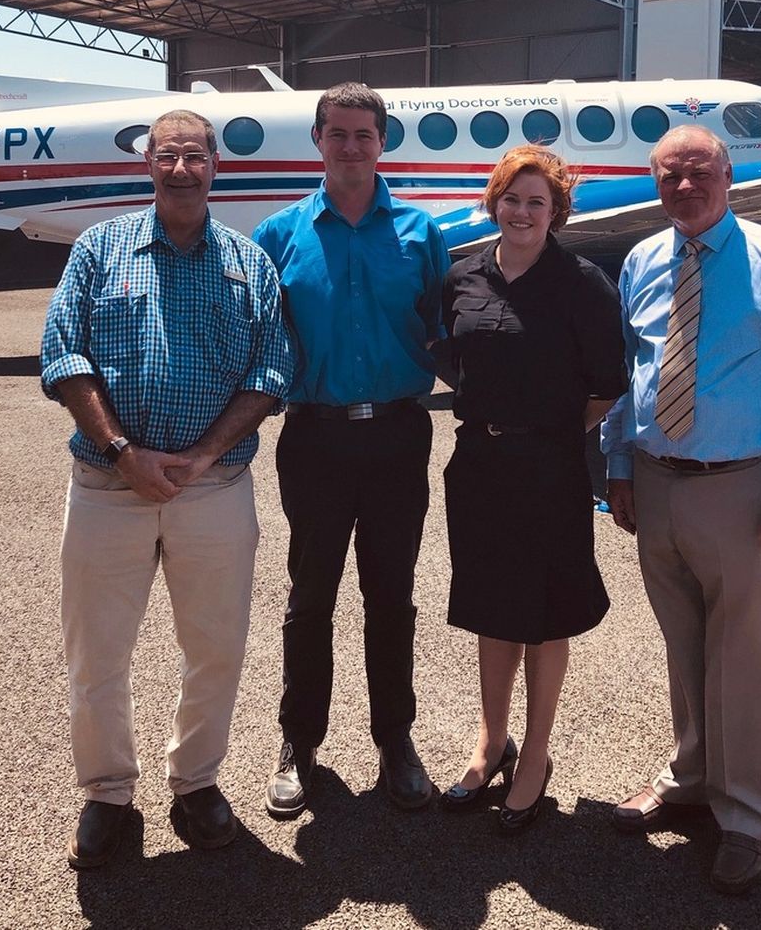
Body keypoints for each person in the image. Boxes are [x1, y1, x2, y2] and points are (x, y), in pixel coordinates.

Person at [41, 108, 293, 869]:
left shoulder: (250, 263)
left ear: (217, 165)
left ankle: (196, 783)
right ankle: (108, 793)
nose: (181, 168)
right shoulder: (97, 249)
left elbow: (271, 372)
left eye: (195, 156)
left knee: (215, 648)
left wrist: (200, 453)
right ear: (147, 163)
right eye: (168, 156)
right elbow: (63, 354)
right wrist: (124, 454)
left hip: (212, 487)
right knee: (97, 654)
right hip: (106, 485)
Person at [601, 126, 761, 894]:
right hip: (656, 479)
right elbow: (629, 377)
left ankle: (744, 814)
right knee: (684, 644)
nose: (683, 187)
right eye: (668, 175)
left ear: (730, 176)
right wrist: (618, 467)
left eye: (698, 171)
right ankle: (691, 775)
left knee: (738, 656)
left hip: (742, 486)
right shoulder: (642, 260)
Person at [252, 81, 449, 817]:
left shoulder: (421, 235)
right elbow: (259, 339)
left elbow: (447, 330)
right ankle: (298, 741)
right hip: (315, 436)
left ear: (382, 141)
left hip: (399, 433)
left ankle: (395, 737)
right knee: (311, 597)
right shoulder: (280, 235)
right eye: (338, 133)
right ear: (318, 139)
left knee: (392, 595)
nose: (352, 146)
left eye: (365, 134)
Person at [438, 145, 627, 833]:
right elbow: (453, 358)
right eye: (511, 198)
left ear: (557, 212)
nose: (521, 212)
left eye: (536, 202)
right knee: (494, 605)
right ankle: (492, 741)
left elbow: (607, 384)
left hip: (550, 468)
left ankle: (536, 756)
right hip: (479, 466)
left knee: (546, 612)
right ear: (494, 201)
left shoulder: (581, 283)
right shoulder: (463, 275)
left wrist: (543, 428)